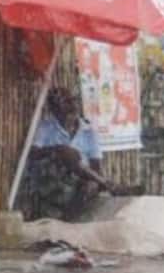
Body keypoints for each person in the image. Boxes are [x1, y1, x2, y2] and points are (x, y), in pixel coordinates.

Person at [24, 88, 114, 222]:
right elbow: (32, 154)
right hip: (53, 181)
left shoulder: (89, 132)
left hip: (79, 180)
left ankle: (68, 221)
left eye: (72, 102)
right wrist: (57, 150)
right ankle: (109, 185)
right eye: (64, 104)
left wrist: (91, 180)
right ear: (54, 110)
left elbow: (97, 167)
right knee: (67, 153)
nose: (71, 107)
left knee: (90, 186)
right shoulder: (46, 127)